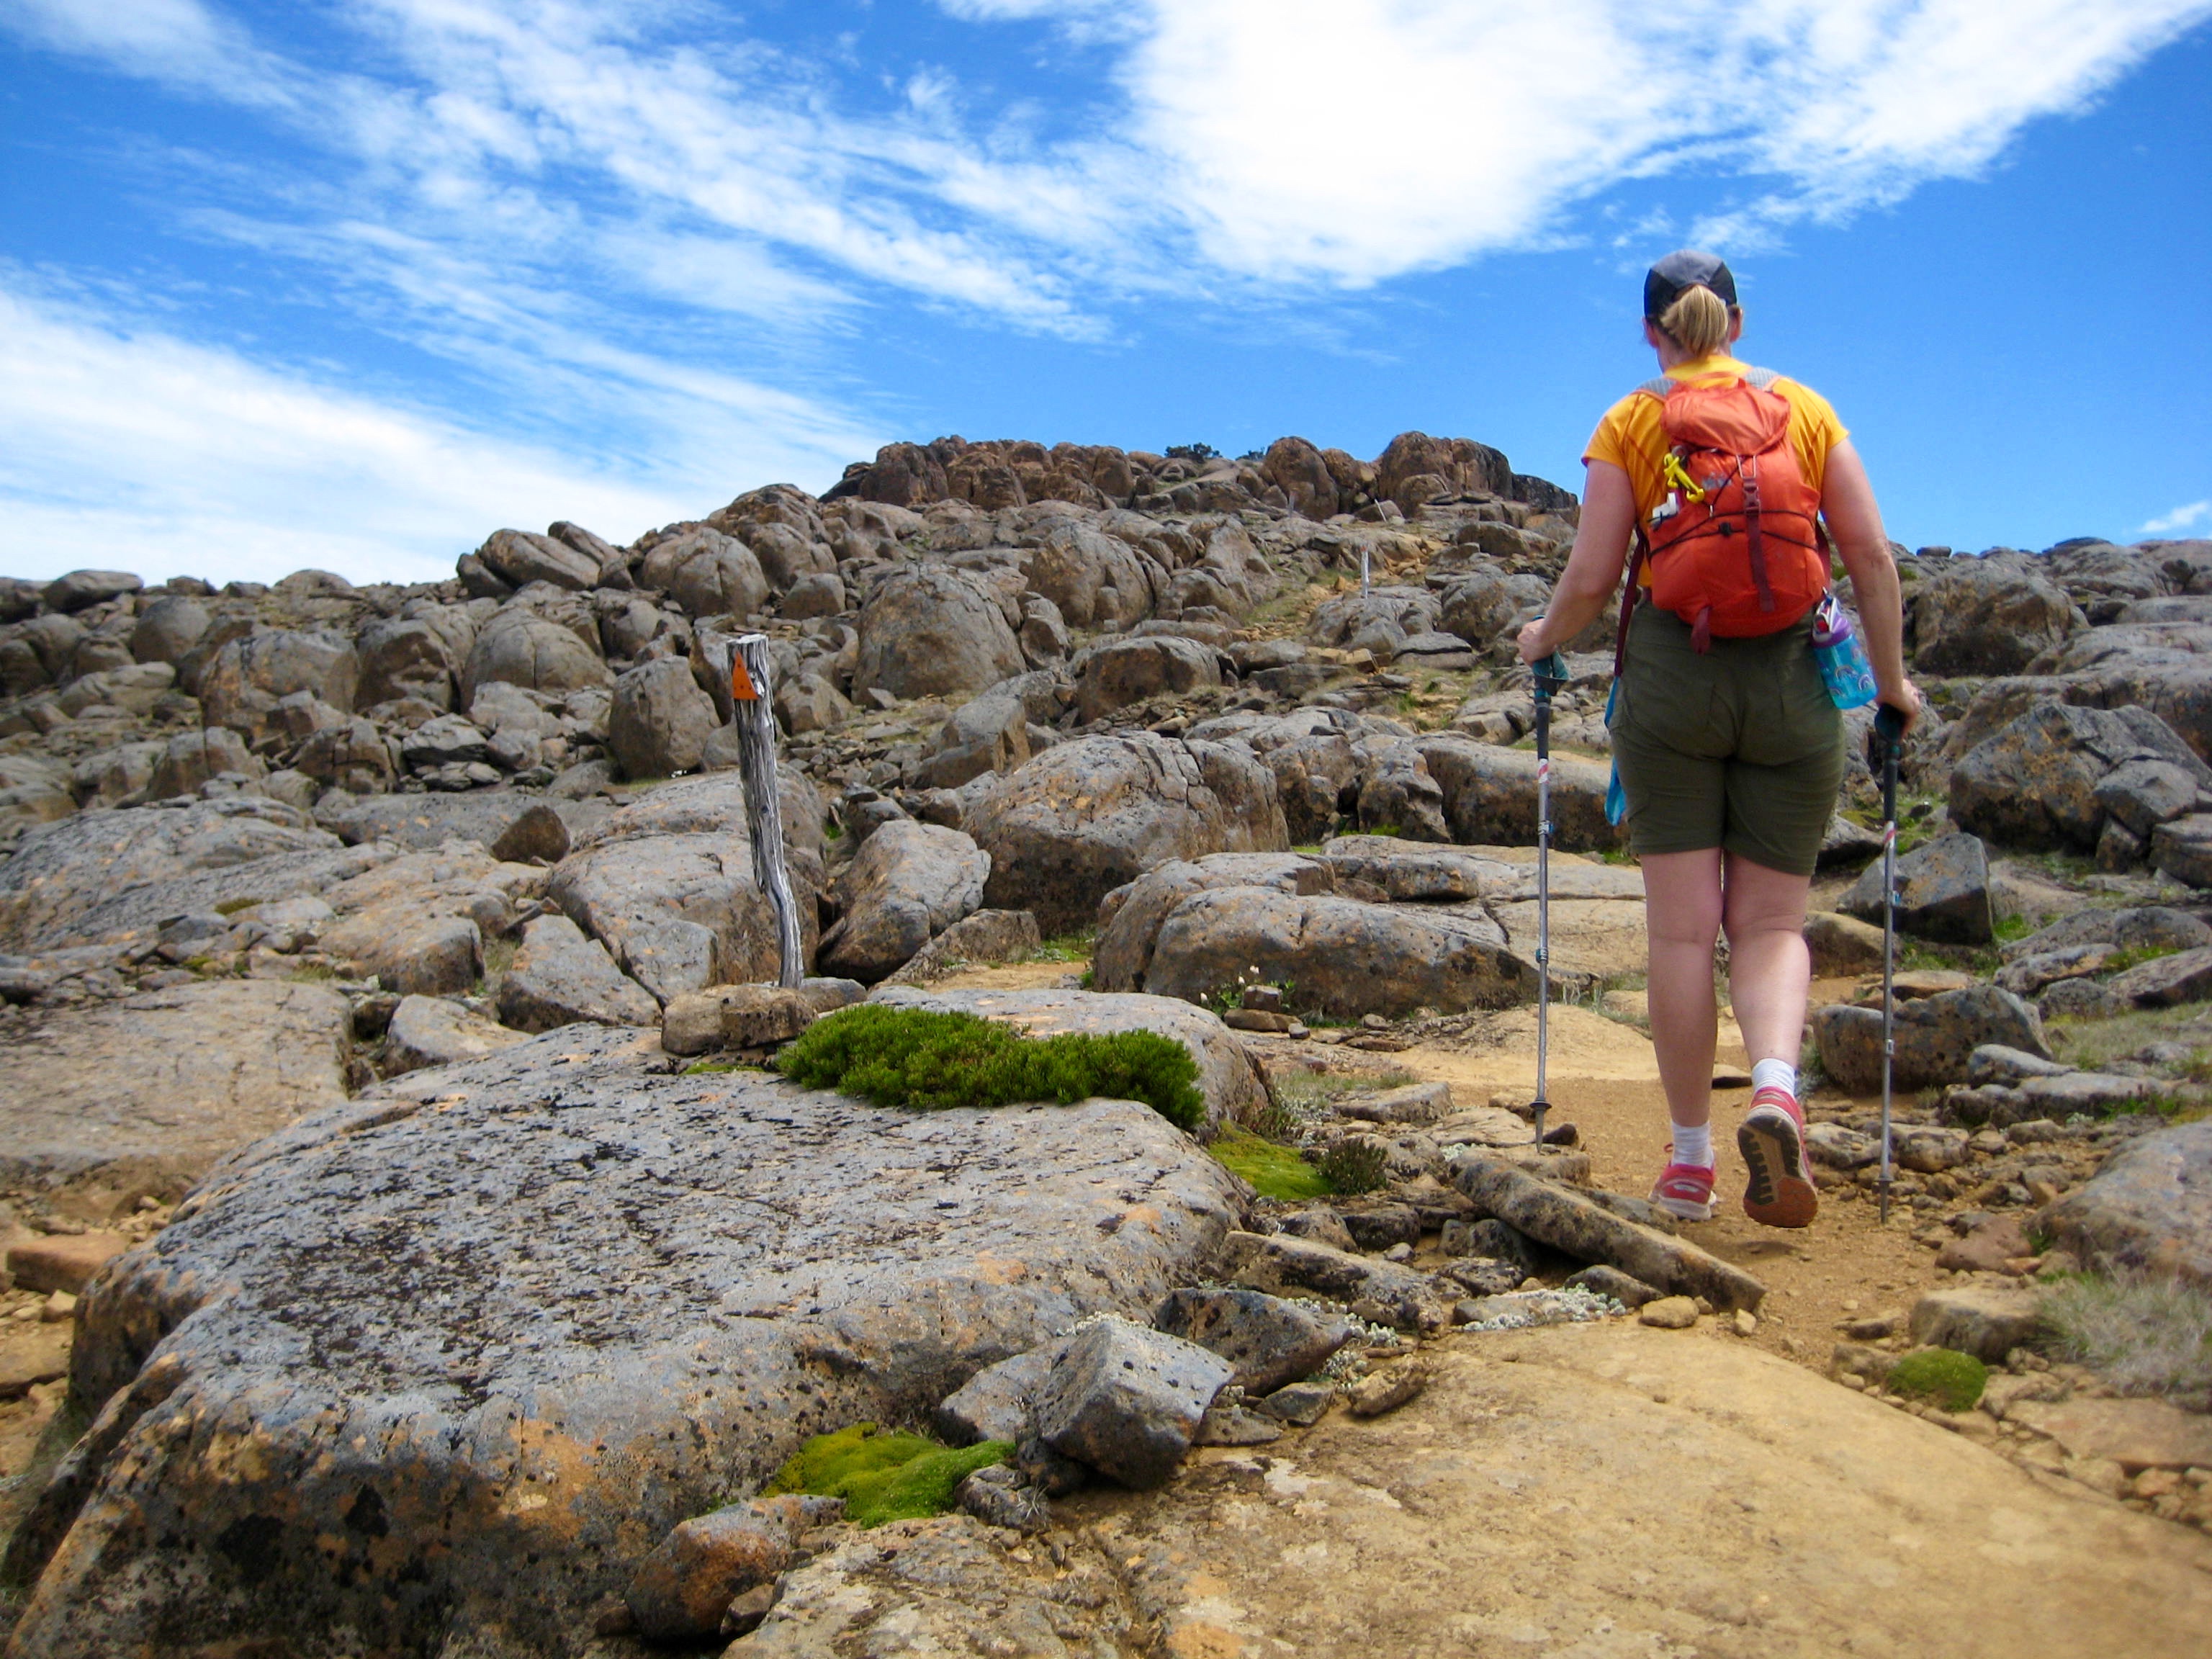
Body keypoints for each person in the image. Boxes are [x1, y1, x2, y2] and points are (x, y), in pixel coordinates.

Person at [1516, 249, 1920, 1228]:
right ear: (1736, 322)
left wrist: (1540, 639)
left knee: (1683, 932)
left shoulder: (1632, 420)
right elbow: (1866, 552)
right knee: (1774, 925)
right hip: (1792, 683)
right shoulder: (1810, 413)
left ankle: (1691, 1162)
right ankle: (1778, 1087)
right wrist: (1896, 685)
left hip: (1672, 687)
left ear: (1652, 332)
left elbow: (1591, 579)